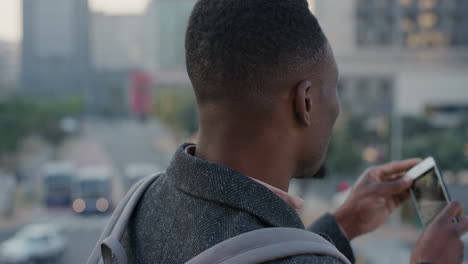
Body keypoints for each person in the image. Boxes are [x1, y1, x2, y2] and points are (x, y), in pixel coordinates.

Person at [122, 0, 468, 263]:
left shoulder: (141, 205)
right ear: (305, 102)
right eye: (334, 88)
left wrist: (343, 224)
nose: (337, 107)